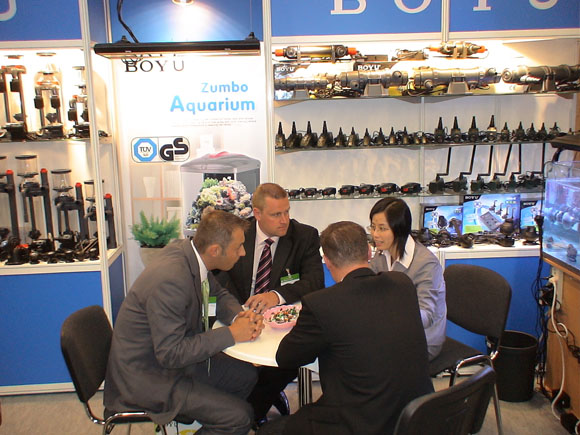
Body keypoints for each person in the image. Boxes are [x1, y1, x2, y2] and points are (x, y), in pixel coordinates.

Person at [259, 221, 434, 435]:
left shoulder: (321, 303)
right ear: (369, 251)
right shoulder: (402, 284)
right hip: (419, 416)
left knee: (270, 431)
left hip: (361, 424)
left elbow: (285, 357)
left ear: (327, 260)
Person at [104, 210, 264, 435]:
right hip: (149, 377)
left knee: (245, 375)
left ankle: (212, 420)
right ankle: (224, 422)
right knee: (239, 418)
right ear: (215, 250)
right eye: (238, 247)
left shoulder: (188, 252)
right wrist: (232, 333)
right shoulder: (171, 281)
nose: (243, 252)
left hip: (166, 362)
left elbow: (217, 293)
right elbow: (171, 354)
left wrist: (240, 317)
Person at [216, 182, 325, 428]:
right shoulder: (238, 234)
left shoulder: (304, 236)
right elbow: (220, 280)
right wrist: (237, 312)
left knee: (281, 364)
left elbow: (314, 282)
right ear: (257, 213)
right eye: (276, 214)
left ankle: (247, 417)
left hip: (283, 325)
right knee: (232, 365)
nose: (284, 220)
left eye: (287, 211)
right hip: (242, 317)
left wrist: (276, 295)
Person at [368, 197, 447, 360]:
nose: (375, 234)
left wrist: (388, 317)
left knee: (366, 355)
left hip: (422, 341)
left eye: (382, 228)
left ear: (400, 229)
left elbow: (427, 315)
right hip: (391, 331)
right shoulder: (382, 253)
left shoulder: (426, 264)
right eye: (373, 227)